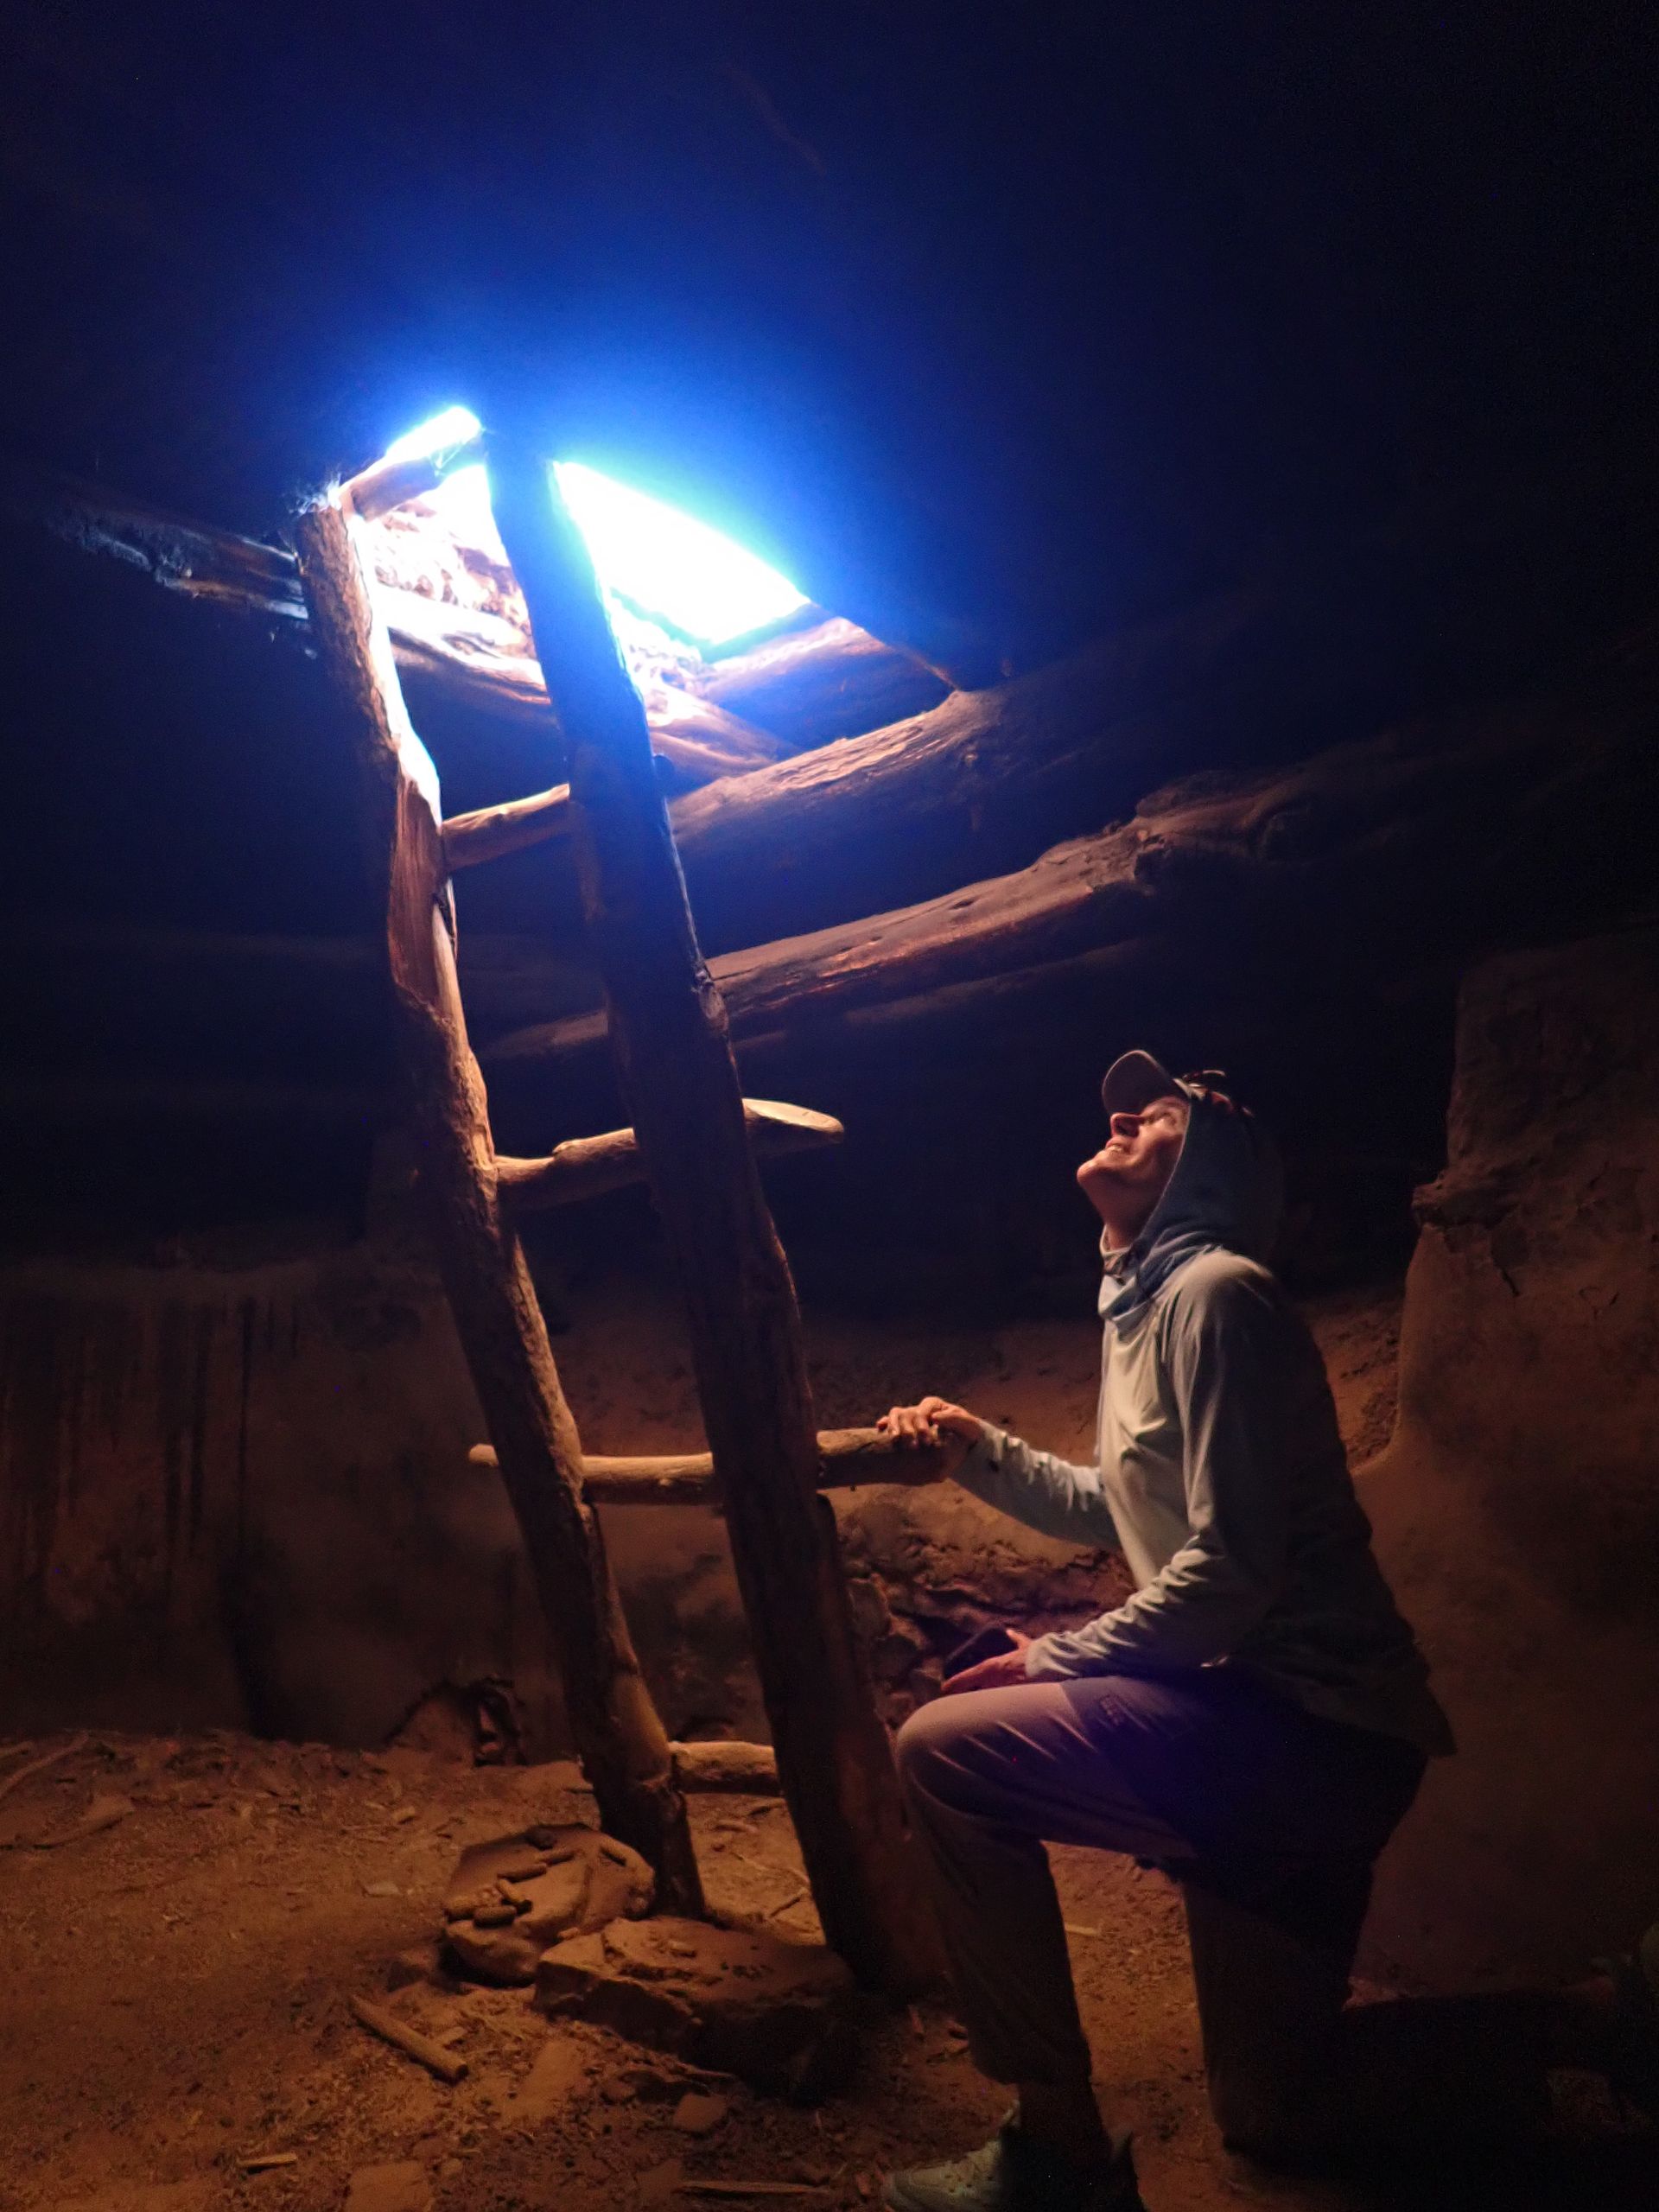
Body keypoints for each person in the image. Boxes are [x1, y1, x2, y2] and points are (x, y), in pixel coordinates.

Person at [875, 1052, 1658, 2212]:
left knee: (945, 1755)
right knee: (1278, 2108)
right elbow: (1122, 1506)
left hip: (1301, 1734)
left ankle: (1057, 2154)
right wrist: (977, 1453)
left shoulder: (1216, 1297)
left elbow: (1228, 1574)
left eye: (1160, 1112)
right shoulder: (1153, 1307)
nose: (1121, 1114)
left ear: (1215, 1169)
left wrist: (1049, 1657)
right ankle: (1603, 2020)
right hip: (1285, 1734)